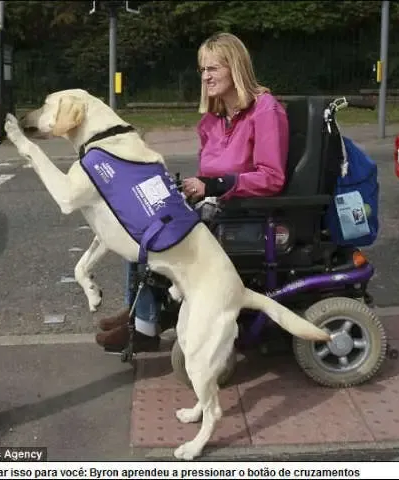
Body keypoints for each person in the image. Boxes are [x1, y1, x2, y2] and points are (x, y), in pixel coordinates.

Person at [95, 32, 289, 351]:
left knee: (154, 235)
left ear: (235, 67)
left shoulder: (265, 110)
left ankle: (143, 325)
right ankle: (139, 313)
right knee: (139, 220)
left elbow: (271, 177)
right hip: (214, 208)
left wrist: (214, 185)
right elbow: (206, 174)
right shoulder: (213, 120)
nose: (206, 76)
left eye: (213, 68)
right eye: (203, 70)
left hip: (245, 215)